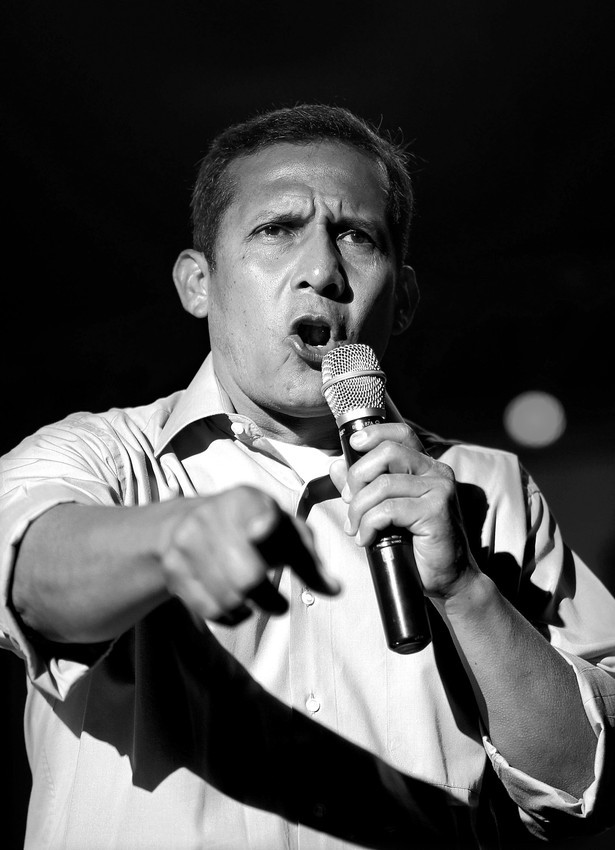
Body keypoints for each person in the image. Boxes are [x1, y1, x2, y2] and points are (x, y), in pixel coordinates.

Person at [1, 104, 614, 850]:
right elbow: (28, 579)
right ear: (198, 281)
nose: (322, 271)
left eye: (356, 236)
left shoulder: (492, 489)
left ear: (406, 297)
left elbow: (591, 781)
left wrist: (467, 594)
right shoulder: (102, 455)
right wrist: (172, 538)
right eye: (276, 229)